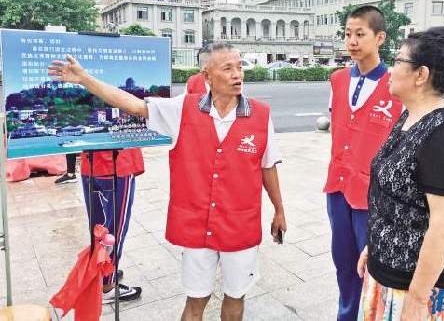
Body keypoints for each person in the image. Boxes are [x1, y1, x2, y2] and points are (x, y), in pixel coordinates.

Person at [48, 42, 287, 321]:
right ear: (207, 76)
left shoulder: (260, 115)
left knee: (236, 296)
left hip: (240, 225)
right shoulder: (182, 110)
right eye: (227, 68)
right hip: (198, 226)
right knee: (196, 299)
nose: (237, 75)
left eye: (239, 67)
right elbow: (134, 105)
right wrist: (85, 79)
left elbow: (268, 165)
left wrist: (279, 209)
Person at [357, 27, 444, 320]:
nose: (390, 71)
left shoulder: (442, 133)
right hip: (389, 274)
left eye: (398, 62)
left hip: (418, 289)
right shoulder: (410, 116)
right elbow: (396, 199)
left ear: (421, 75)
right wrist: (375, 245)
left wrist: (419, 301)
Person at [324, 5, 402, 321]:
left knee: (371, 268)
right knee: (343, 263)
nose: (352, 41)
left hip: (373, 197)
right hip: (338, 190)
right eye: (348, 34)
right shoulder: (338, 79)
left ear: (379, 37)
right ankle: (346, 315)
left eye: (360, 34)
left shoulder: (396, 85)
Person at [80, 148, 145, 303]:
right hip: (116, 164)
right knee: (115, 230)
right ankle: (107, 285)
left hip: (90, 163)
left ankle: (102, 273)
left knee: (98, 227)